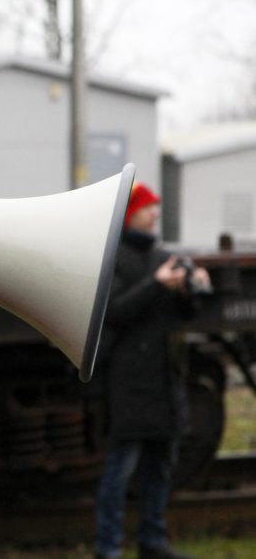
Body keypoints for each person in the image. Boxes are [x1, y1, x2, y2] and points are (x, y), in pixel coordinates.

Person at [93, 182, 210, 559]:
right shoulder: (114, 259)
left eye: (156, 208)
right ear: (130, 213)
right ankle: (108, 548)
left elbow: (183, 315)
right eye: (147, 208)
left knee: (161, 468)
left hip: (164, 378)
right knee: (120, 472)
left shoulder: (162, 255)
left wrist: (193, 290)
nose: (154, 214)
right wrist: (157, 284)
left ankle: (153, 541)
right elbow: (115, 312)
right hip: (131, 381)